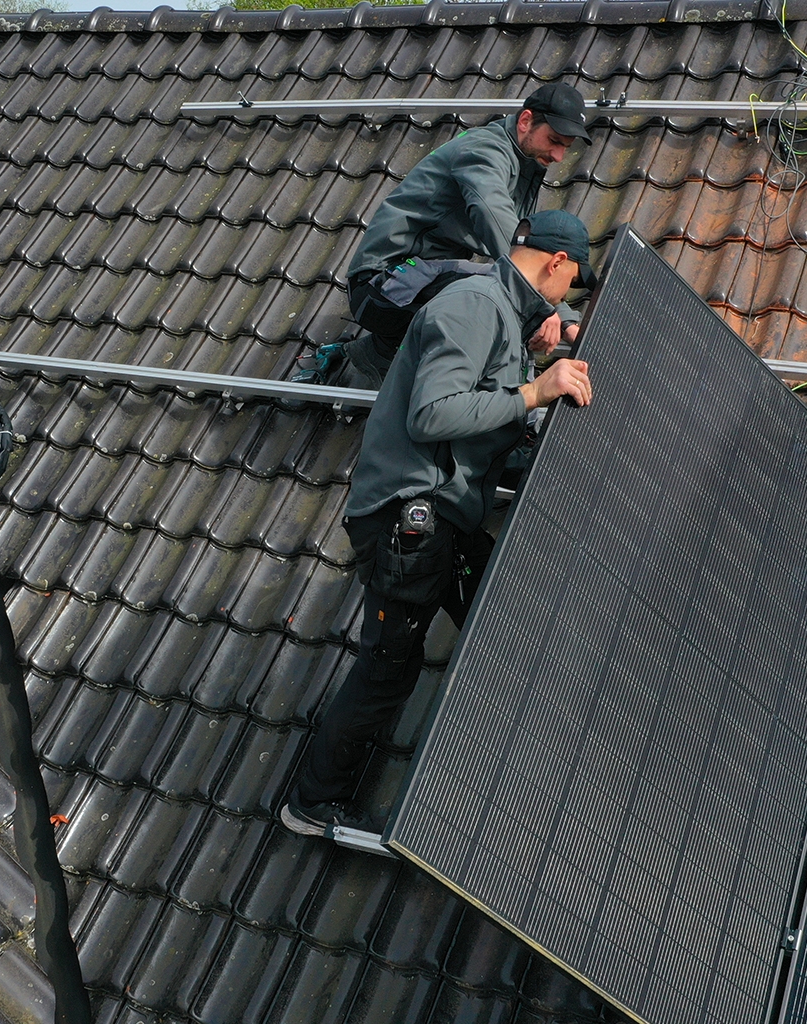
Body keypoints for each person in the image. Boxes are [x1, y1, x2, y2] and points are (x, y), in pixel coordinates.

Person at [281, 209, 598, 837]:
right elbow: (433, 414)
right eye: (572, 283)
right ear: (556, 264)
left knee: (506, 623)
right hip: (410, 517)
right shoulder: (475, 304)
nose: (567, 301)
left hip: (439, 518)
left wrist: (526, 369)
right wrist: (534, 391)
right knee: (389, 668)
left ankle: (522, 795)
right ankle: (311, 804)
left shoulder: (500, 316)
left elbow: (484, 418)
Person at [302, 83, 594, 389]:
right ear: (525, 121)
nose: (560, 155)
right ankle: (514, 407)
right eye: (554, 141)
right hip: (381, 286)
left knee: (510, 294)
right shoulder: (484, 152)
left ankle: (376, 355)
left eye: (566, 146)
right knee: (506, 301)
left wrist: (563, 316)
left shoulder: (525, 162)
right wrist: (545, 308)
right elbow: (504, 229)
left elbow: (532, 248)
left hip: (420, 281)